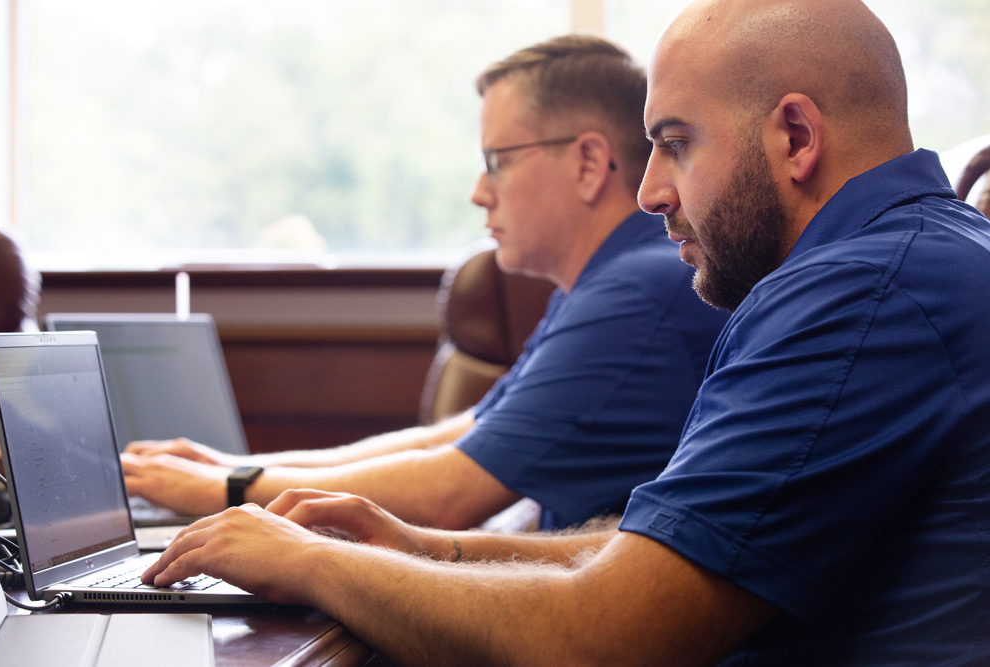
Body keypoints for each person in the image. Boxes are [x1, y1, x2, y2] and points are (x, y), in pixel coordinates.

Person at [141, 0, 990, 664]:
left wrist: (312, 561)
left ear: (795, 137)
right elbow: (659, 551)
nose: (650, 188)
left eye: (675, 144)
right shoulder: (902, 261)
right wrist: (429, 550)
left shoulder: (858, 295)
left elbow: (605, 640)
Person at [121, 35, 728, 531]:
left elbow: (448, 491)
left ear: (589, 163)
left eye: (497, 161)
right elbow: (466, 433)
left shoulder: (637, 295)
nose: (477, 191)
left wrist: (226, 488)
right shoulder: (609, 283)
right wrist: (241, 467)